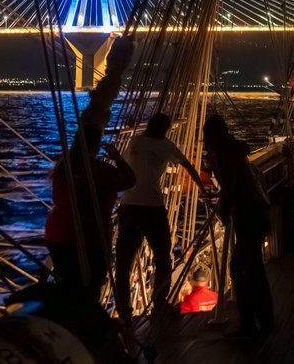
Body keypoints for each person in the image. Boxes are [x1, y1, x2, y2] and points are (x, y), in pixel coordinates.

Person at [114, 112, 204, 321]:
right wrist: (203, 190)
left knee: (123, 263)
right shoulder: (166, 145)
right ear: (166, 128)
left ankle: (124, 312)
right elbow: (188, 166)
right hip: (152, 207)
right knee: (163, 257)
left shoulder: (135, 139)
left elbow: (125, 164)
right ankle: (159, 304)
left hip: (128, 206)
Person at [44, 124, 136, 305]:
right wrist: (117, 157)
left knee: (66, 284)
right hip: (89, 236)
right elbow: (130, 180)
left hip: (57, 234)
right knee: (90, 285)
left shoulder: (64, 166)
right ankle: (85, 326)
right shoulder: (101, 170)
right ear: (96, 144)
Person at [202, 114, 273, 338]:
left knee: (243, 269)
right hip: (257, 211)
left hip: (248, 214)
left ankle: (251, 324)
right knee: (250, 268)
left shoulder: (224, 153)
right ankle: (263, 318)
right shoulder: (233, 150)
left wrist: (224, 210)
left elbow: (230, 187)